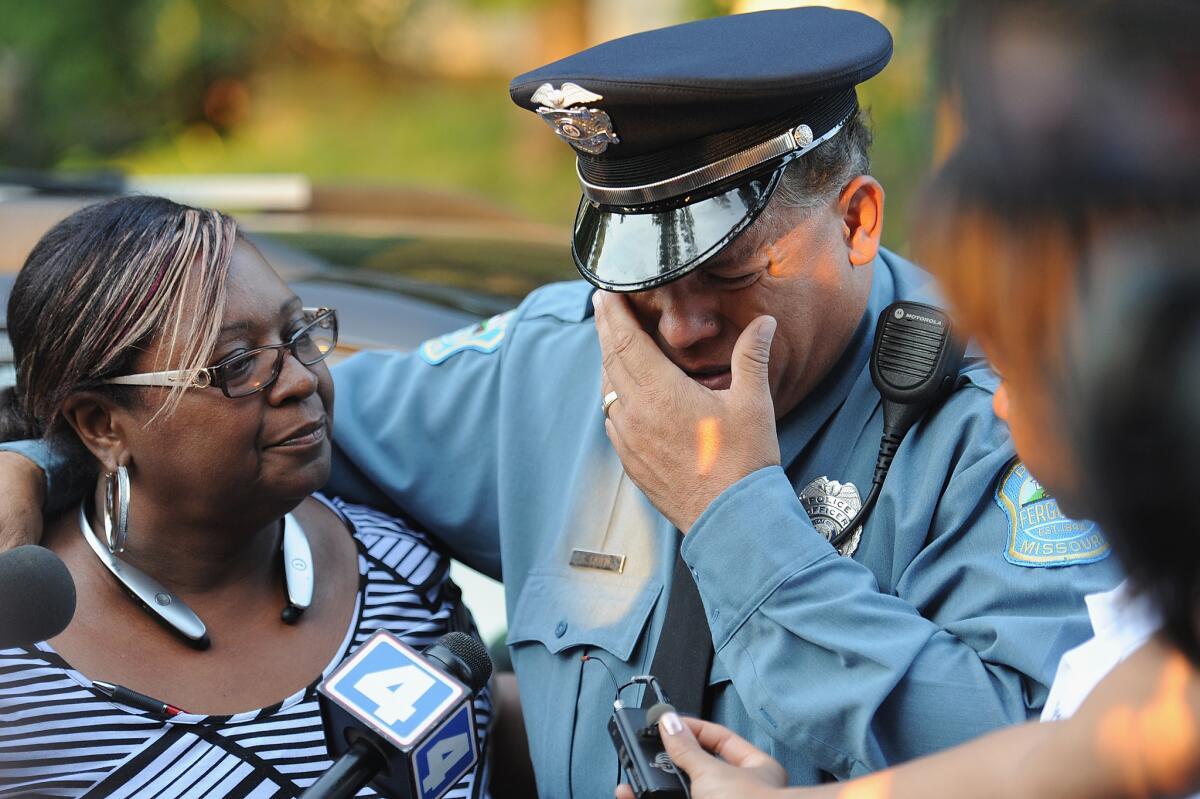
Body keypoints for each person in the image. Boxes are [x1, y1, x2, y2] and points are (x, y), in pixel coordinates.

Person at [0, 8, 1120, 795]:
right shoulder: (558, 358)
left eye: (725, 276)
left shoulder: (1008, 422)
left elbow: (1042, 756)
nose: (676, 328)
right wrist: (46, 463)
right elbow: (273, 417)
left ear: (858, 223)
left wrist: (738, 519)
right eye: (639, 281)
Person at [618, 1, 1200, 796]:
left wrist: (732, 513)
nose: (999, 399)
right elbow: (1053, 768)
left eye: (1026, 358)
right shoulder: (1164, 671)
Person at [0, 196, 492, 798]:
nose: (303, 379)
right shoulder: (16, 662)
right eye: (236, 363)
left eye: (298, 333)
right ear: (102, 424)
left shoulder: (405, 572)